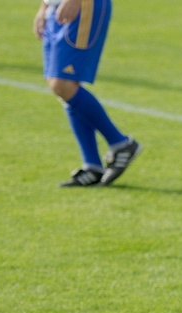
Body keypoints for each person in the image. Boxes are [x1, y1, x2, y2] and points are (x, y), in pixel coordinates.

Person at [33, 0, 141, 187]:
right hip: (55, 8)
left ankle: (121, 144)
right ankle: (92, 166)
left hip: (83, 5)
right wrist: (44, 6)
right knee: (63, 86)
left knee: (63, 84)